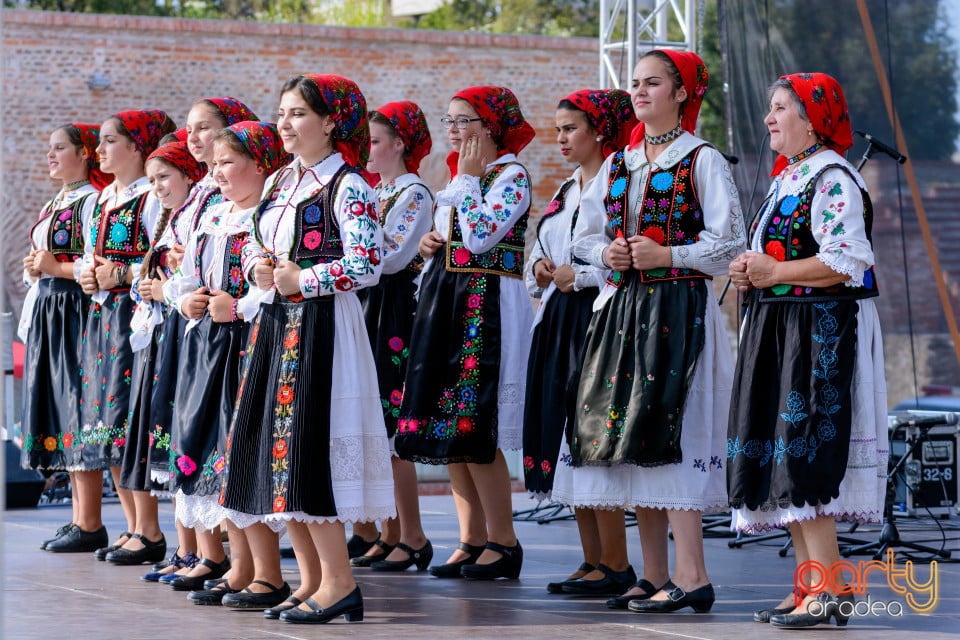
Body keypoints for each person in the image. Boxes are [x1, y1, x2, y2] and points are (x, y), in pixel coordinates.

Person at [560, 49, 744, 614]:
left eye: (653, 83)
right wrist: (608, 251)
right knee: (633, 439)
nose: (639, 92)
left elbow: (731, 241)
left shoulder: (701, 159)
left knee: (675, 435)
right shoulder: (621, 163)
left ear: (682, 92)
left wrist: (668, 253)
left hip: (678, 310)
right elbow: (582, 237)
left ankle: (693, 574)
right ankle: (654, 573)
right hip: (623, 313)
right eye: (635, 83)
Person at [217, 74, 394, 624]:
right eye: (282, 113)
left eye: (297, 114)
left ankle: (340, 581)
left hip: (322, 330)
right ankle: (311, 578)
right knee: (279, 452)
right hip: (277, 324)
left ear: (330, 121)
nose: (285, 124)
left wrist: (305, 278)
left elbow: (369, 264)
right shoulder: (278, 184)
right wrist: (260, 269)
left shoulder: (350, 187)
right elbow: (249, 242)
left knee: (309, 448)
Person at [727, 72, 887, 629]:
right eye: (769, 108)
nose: (769, 119)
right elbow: (776, 257)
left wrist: (774, 269)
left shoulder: (833, 177)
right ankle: (811, 587)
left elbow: (847, 258)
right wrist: (751, 270)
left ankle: (829, 586)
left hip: (817, 330)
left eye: (779, 108)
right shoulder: (789, 178)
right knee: (779, 453)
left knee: (802, 450)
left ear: (812, 116)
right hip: (779, 327)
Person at [395, 86, 535, 580]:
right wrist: (436, 239)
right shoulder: (465, 177)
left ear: (491, 126)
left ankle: (504, 539)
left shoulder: (511, 175)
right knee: (447, 424)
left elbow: (480, 236)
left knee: (476, 426)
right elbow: (457, 236)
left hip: (486, 306)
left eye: (464, 121)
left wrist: (468, 184)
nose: (453, 130)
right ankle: (472, 537)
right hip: (448, 299)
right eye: (449, 121)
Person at [523, 89, 637, 596]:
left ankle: (616, 560)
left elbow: (620, 253)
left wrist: (581, 275)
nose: (562, 138)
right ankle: (592, 558)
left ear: (599, 130)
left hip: (597, 315)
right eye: (558, 129)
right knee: (567, 433)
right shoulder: (568, 188)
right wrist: (542, 269)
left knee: (590, 433)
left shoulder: (618, 180)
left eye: (571, 128)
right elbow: (538, 251)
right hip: (558, 315)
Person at [67, 110, 175, 557]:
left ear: (136, 147)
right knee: (105, 422)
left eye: (110, 141)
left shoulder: (149, 197)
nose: (100, 150)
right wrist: (88, 274)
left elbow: (161, 257)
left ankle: (148, 527)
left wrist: (121, 272)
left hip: (136, 312)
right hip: (103, 315)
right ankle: (132, 525)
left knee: (127, 417)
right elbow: (91, 257)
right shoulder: (106, 197)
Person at [109, 139, 204, 567]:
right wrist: (151, 282)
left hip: (187, 328)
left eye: (164, 177)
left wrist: (163, 283)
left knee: (187, 435)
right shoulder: (173, 218)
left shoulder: (201, 211)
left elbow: (192, 271)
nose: (158, 187)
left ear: (188, 174)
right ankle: (188, 548)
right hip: (162, 329)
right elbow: (148, 272)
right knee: (167, 437)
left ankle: (204, 550)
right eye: (153, 180)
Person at [352, 101, 435, 572]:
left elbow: (392, 257)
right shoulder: (375, 192)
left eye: (376, 141)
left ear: (400, 143)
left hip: (392, 310)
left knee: (392, 426)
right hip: (369, 305)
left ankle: (413, 534)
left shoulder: (414, 194)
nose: (367, 149)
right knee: (373, 426)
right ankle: (387, 531)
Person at [21, 123, 109, 552]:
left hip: (74, 310)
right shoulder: (58, 200)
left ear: (85, 153)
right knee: (59, 407)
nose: (51, 156)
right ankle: (79, 518)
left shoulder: (92, 202)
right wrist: (36, 266)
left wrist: (55, 266)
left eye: (60, 148)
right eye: (49, 148)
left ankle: (90, 520)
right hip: (50, 309)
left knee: (77, 406)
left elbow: (96, 262)